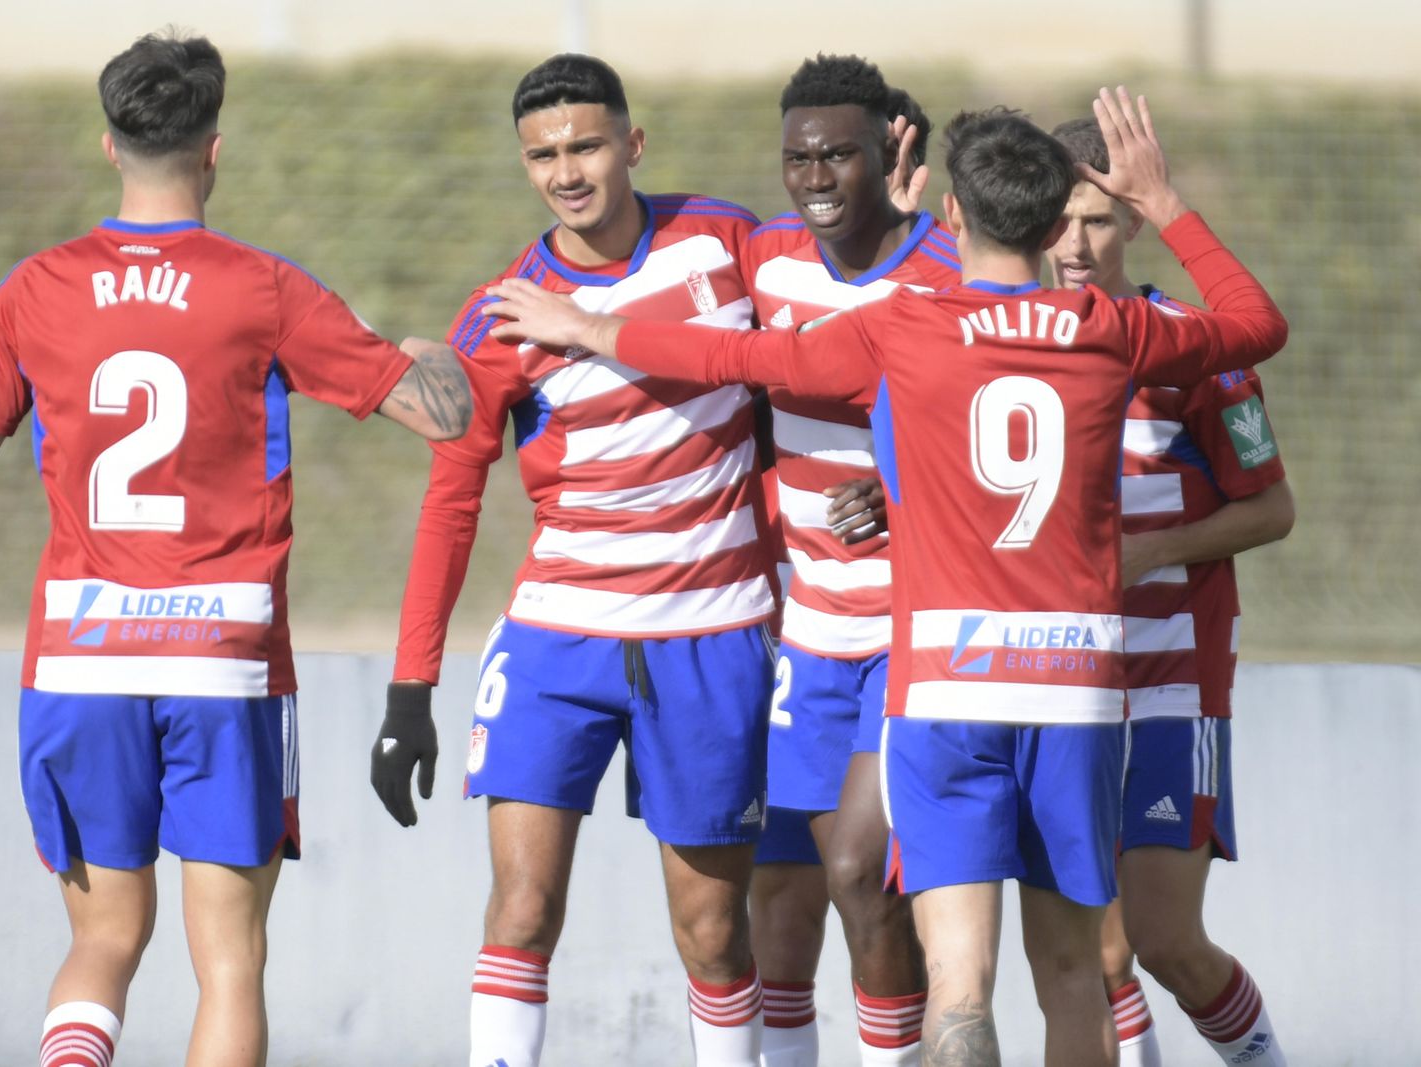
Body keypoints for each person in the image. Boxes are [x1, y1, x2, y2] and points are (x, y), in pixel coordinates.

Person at [479, 87, 1289, 1067]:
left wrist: (596, 329)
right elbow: (1255, 323)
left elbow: (737, 353)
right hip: (1076, 686)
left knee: (957, 985)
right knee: (1080, 967)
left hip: (943, 684)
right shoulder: (1108, 328)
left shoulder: (903, 329)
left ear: (951, 215)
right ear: (1050, 225)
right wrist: (1164, 204)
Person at [0, 31, 470, 1067]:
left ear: (109, 145)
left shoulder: (35, 289)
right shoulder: (263, 289)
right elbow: (439, 415)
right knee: (229, 960)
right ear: (214, 149)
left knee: (104, 939)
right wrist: (435, 357)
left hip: (81, 657)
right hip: (223, 661)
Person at [367, 54, 776, 1067]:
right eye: (542, 154)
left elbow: (819, 367)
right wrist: (409, 689)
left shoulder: (729, 245)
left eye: (586, 144)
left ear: (632, 145)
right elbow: (451, 500)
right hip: (558, 637)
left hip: (711, 632)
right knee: (521, 905)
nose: (566, 170)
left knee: (714, 930)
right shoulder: (501, 312)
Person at [1046, 116, 1294, 1067]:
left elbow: (1273, 510)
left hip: (1169, 688)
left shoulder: (1196, 347)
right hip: (1054, 686)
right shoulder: (1011, 349)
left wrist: (1154, 552)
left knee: (1163, 942)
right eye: (1061, 219)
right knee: (1093, 950)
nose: (1076, 243)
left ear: (1134, 225)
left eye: (1100, 219)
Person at [742, 55, 959, 1067]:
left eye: (839, 155)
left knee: (862, 868)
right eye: (798, 159)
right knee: (782, 898)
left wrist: (904, 475)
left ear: (890, 152)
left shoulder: (949, 272)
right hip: (805, 629)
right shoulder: (765, 261)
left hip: (914, 633)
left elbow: (1004, 416)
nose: (817, 177)